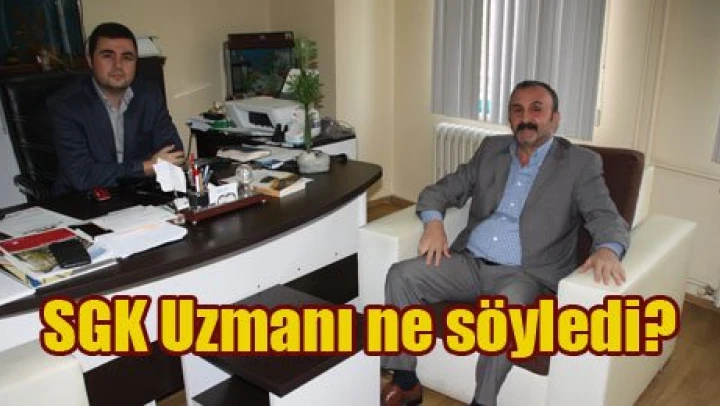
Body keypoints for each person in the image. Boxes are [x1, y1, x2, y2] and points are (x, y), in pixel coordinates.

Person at [381, 80, 629, 406]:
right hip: (470, 262)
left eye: (536, 109)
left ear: (554, 119)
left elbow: (605, 215)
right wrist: (434, 223)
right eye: (517, 110)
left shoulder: (579, 163)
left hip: (524, 273)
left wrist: (608, 249)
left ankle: (483, 402)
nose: (526, 118)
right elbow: (440, 190)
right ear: (510, 118)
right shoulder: (491, 150)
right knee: (401, 275)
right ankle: (406, 381)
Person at [49, 22, 184, 195]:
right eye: (108, 56)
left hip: (138, 195)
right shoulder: (66, 105)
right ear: (90, 60)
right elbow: (82, 176)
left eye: (127, 57)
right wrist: (146, 167)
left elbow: (174, 155)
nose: (118, 65)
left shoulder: (149, 95)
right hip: (83, 200)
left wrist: (150, 168)